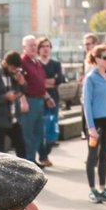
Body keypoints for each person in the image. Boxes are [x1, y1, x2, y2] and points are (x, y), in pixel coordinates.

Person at [83, 42, 106, 204]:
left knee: (104, 156)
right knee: (92, 157)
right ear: (96, 59)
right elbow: (87, 104)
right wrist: (90, 127)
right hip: (95, 121)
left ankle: (103, 188)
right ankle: (92, 189)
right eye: (105, 58)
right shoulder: (90, 78)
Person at [0, 51, 29, 157]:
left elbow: (23, 91)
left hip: (13, 118)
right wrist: (4, 97)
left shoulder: (14, 75)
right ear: (5, 63)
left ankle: (23, 171)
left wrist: (22, 83)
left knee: (21, 147)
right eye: (12, 68)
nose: (14, 71)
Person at [17, 34, 55, 166]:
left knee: (38, 133)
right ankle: (29, 162)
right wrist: (22, 100)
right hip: (29, 100)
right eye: (30, 45)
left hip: (39, 100)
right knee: (28, 134)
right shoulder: (22, 62)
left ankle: (32, 160)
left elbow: (40, 83)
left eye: (35, 45)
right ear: (24, 47)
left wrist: (47, 97)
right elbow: (18, 83)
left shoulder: (37, 63)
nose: (33, 48)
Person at [35, 36, 64, 166]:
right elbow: (36, 82)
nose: (46, 49)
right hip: (39, 99)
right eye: (43, 46)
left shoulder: (55, 64)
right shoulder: (36, 64)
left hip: (54, 99)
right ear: (38, 49)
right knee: (41, 130)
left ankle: (46, 151)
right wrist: (46, 82)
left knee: (52, 130)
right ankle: (43, 156)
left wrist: (44, 82)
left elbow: (58, 81)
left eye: (48, 46)